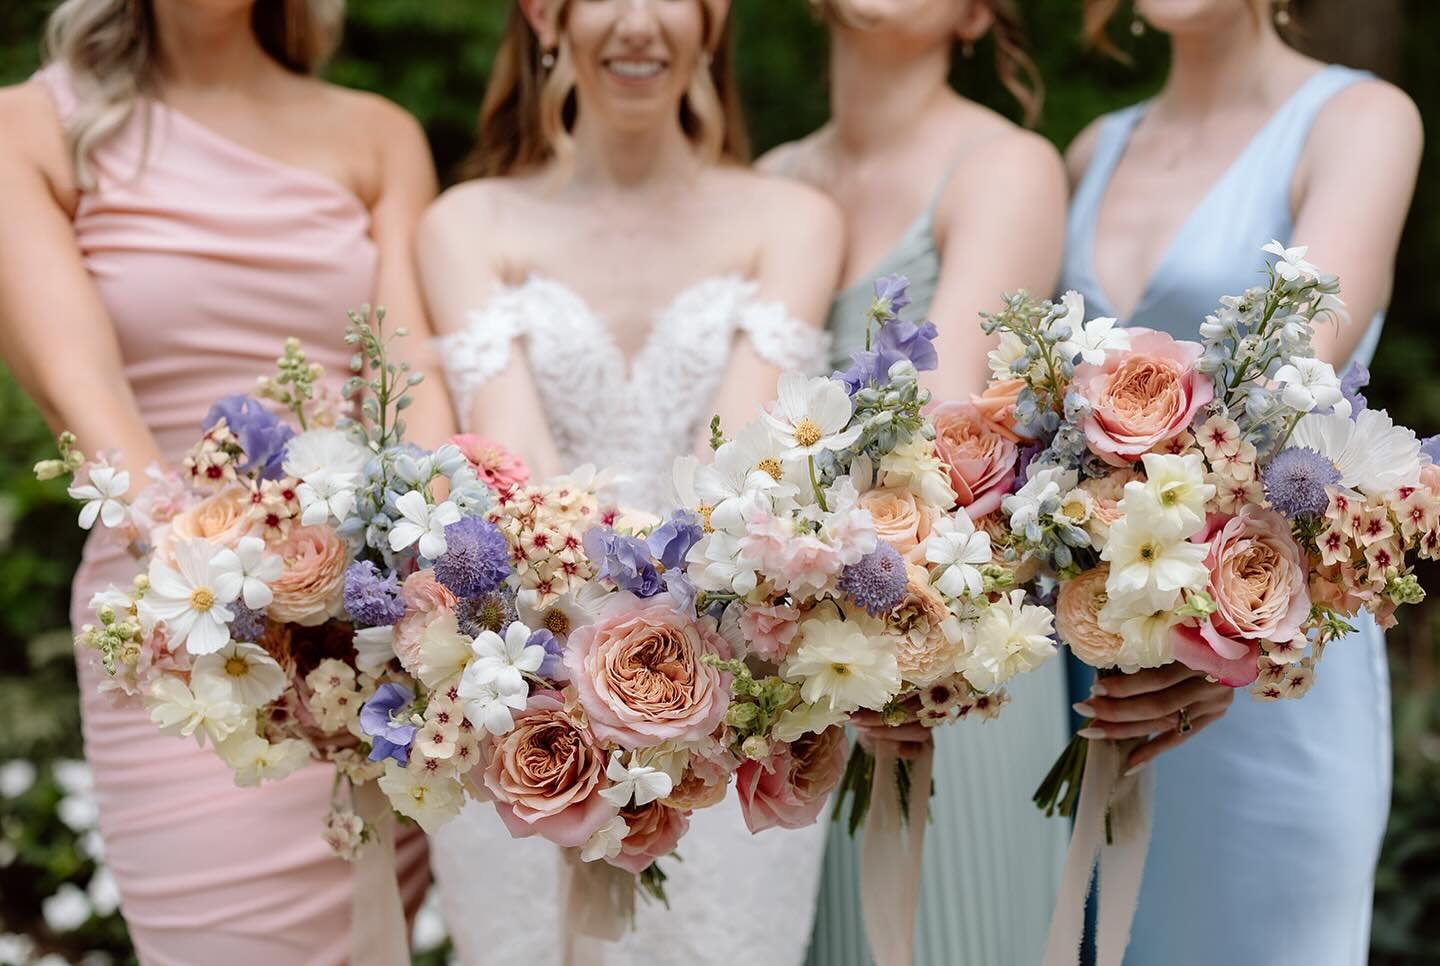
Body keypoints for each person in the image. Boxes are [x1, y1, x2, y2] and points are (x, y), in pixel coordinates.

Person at [0, 0, 451, 961]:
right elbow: (84, 398)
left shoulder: (379, 136)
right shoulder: (28, 128)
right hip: (182, 623)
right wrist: (248, 601)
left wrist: (435, 587)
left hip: (368, 633)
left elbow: (415, 394)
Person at [417, 1, 844, 963]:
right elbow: (515, 480)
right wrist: (579, 693)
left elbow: (735, 476)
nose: (640, 25)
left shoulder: (794, 221)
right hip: (524, 706)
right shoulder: (464, 224)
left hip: (725, 709)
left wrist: (662, 699)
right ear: (543, 14)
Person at [1059, 1, 1422, 962]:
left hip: (1265, 660)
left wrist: (1219, 628)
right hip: (1095, 668)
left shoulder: (1360, 121)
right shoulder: (1089, 150)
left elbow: (1294, 381)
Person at [759, 2, 1077, 962]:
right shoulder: (770, 179)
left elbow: (933, 441)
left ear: (980, 14)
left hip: (945, 643)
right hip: (784, 661)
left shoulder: (1006, 165)